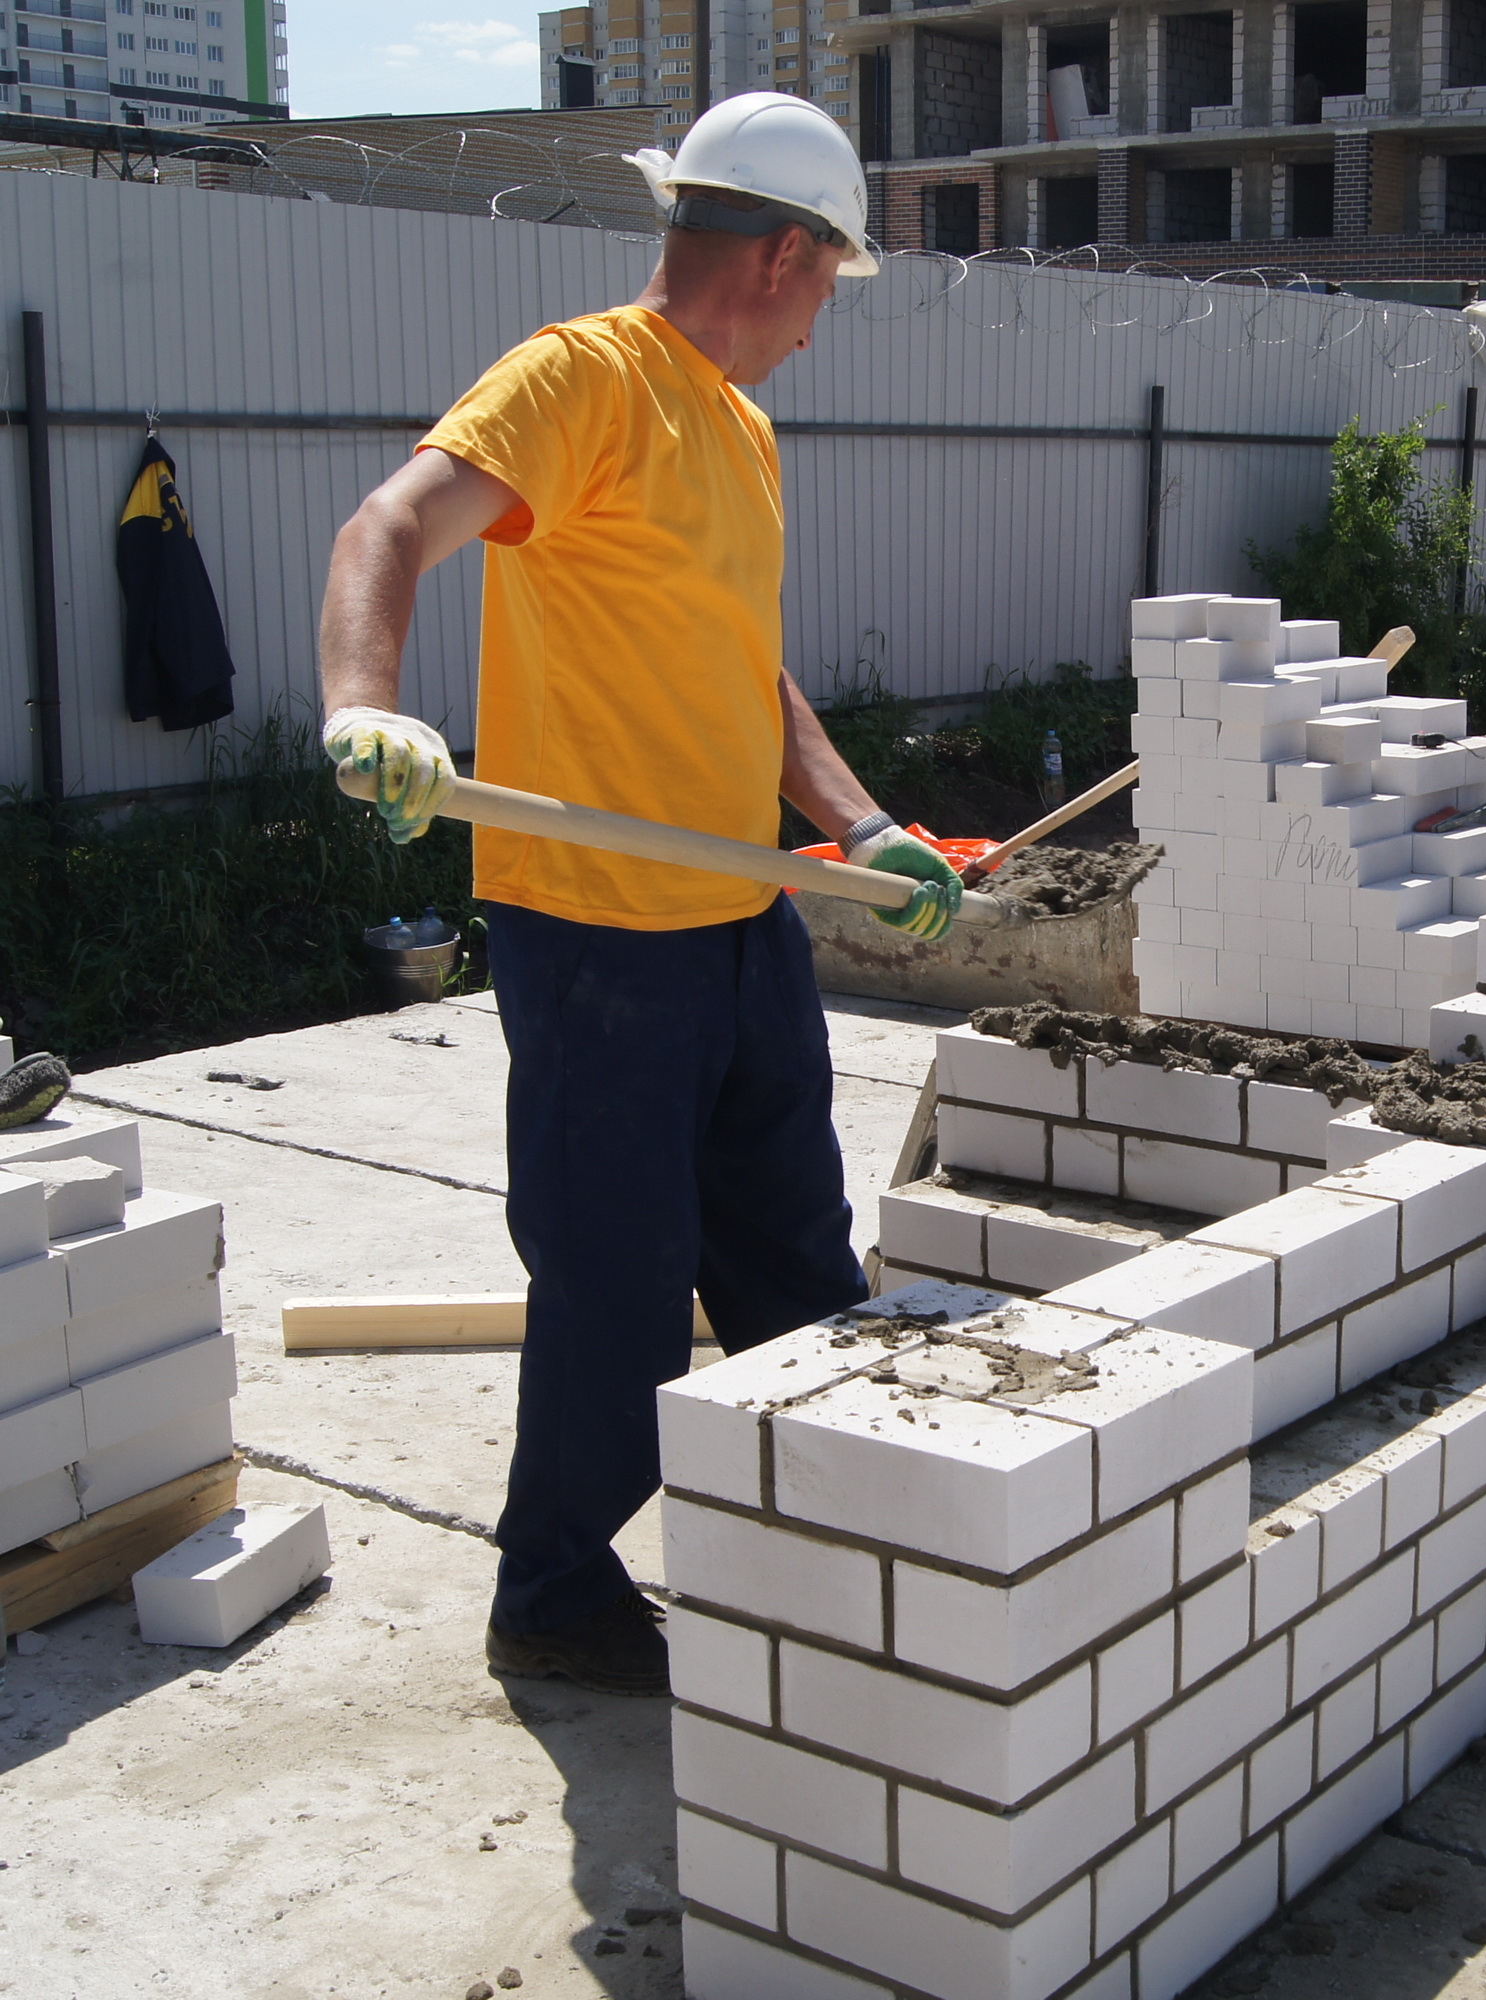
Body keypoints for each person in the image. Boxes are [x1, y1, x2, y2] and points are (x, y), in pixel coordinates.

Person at [313, 95, 965, 1695]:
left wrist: (864, 826)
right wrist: (364, 705)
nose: (823, 324)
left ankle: (822, 1542)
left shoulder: (736, 424)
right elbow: (389, 524)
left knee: (795, 1258)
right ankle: (552, 1591)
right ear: (787, 252)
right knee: (615, 1278)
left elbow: (747, 673)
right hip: (596, 931)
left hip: (735, 920)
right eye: (830, 285)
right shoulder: (584, 380)